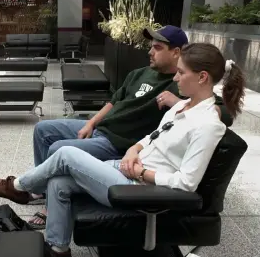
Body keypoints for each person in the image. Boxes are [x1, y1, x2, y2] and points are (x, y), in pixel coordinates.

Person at [0, 42, 246, 257]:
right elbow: (152, 136)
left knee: (65, 154)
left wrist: (143, 173)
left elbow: (186, 183)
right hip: (129, 168)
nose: (175, 77)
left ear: (202, 77)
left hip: (144, 190)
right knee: (58, 183)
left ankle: (20, 187)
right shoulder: (182, 106)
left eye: (181, 73)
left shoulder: (208, 124)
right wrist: (134, 150)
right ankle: (58, 249)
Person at [26, 25, 233, 229]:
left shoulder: (181, 87)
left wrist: (176, 101)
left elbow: (220, 112)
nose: (150, 52)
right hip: (106, 131)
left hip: (116, 142)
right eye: (151, 46)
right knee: (43, 130)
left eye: (158, 48)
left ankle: (30, 190)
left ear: (176, 52)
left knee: (59, 150)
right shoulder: (139, 73)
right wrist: (91, 122)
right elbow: (115, 101)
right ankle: (41, 192)